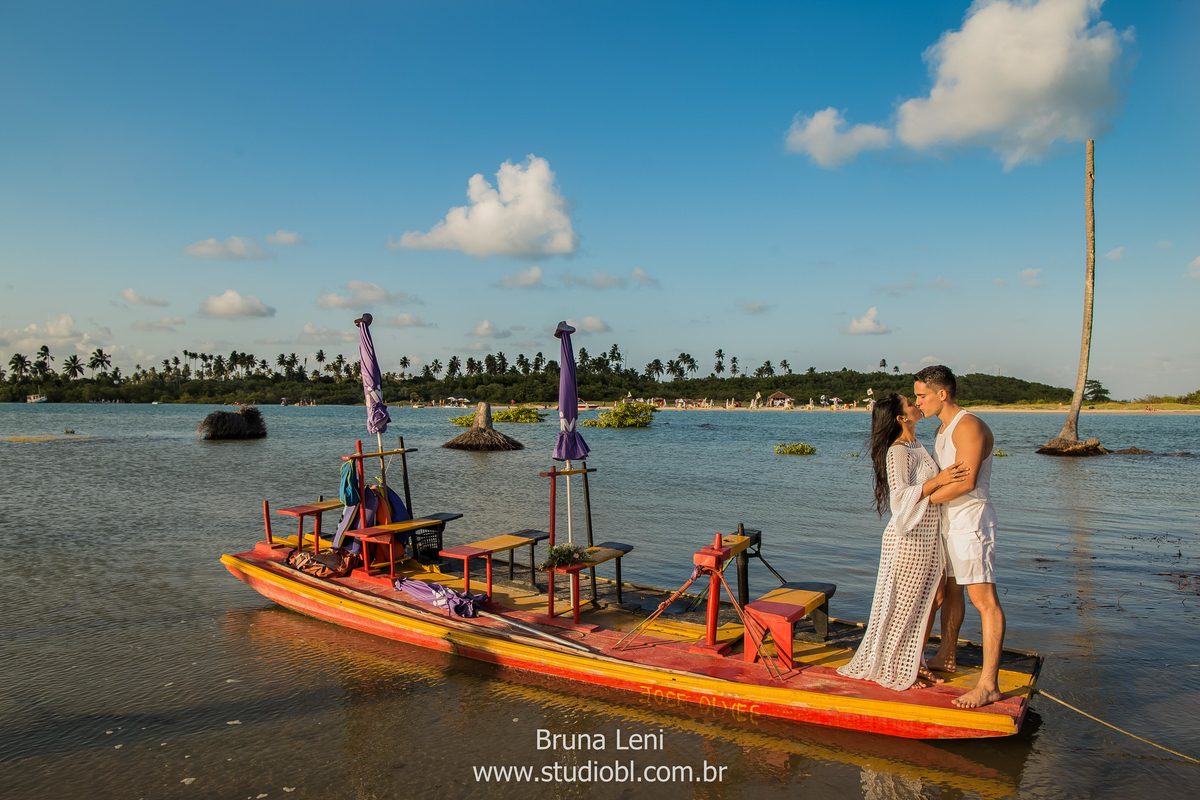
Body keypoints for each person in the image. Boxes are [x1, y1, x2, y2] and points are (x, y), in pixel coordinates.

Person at [837, 392, 967, 691]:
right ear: (901, 417)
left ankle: (911, 662)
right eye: (911, 403)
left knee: (929, 601)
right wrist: (940, 480)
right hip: (908, 540)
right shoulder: (898, 451)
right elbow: (899, 500)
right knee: (904, 605)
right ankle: (896, 667)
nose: (918, 404)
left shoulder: (916, 445)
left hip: (924, 538)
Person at [914, 364, 1005, 709]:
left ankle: (988, 684)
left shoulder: (968, 426)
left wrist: (916, 503)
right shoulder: (942, 430)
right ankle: (946, 656)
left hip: (971, 522)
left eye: (922, 395)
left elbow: (966, 483)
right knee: (949, 593)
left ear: (942, 393)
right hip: (948, 523)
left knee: (985, 600)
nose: (918, 402)